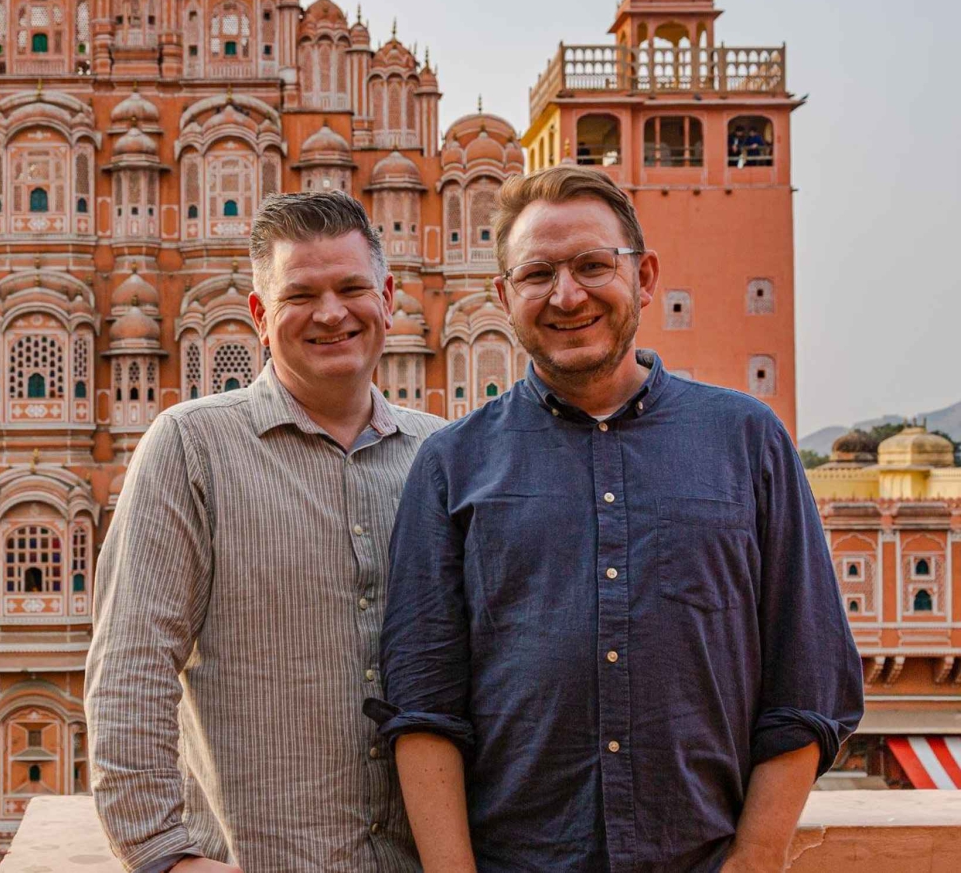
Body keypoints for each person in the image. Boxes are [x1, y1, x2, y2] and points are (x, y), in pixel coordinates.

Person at [369, 164, 864, 872]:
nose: (567, 295)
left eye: (593, 265)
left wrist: (753, 861)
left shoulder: (746, 441)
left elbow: (809, 680)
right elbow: (424, 704)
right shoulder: (454, 464)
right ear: (505, 297)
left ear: (645, 276)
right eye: (537, 274)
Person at [87, 190, 445, 873]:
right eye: (300, 295)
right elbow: (132, 661)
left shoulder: (441, 455)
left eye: (351, 288)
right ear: (259, 314)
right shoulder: (193, 448)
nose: (331, 313)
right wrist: (161, 854)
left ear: (387, 298)